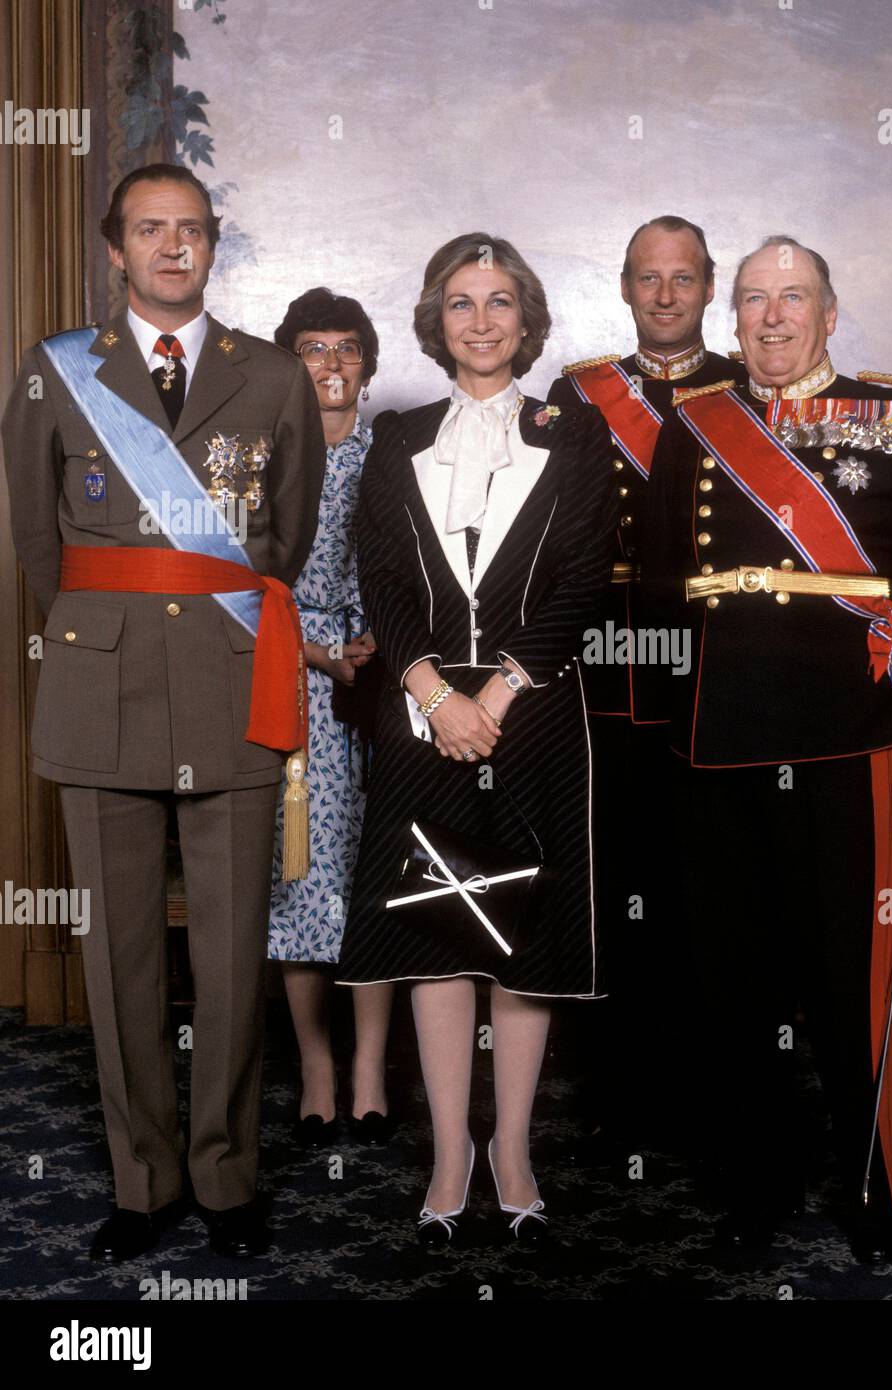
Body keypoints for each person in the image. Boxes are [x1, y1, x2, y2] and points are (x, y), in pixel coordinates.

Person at [641, 234, 892, 1261]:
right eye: (752, 299)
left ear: (829, 313)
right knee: (734, 985)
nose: (771, 316)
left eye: (791, 297)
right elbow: (659, 587)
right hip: (719, 740)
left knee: (854, 982)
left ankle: (872, 1189)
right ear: (732, 316)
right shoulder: (694, 425)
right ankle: (753, 1183)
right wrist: (673, 718)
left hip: (856, 738)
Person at [1, 163, 325, 1259]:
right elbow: (42, 548)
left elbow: (285, 533)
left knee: (233, 955)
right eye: (150, 230)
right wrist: (113, 631)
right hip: (103, 686)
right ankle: (142, 1182)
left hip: (231, 687)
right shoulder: (55, 373)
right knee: (122, 954)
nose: (171, 248)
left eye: (189, 231)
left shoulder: (274, 376)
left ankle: (227, 1177)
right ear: (115, 248)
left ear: (212, 247)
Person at [335, 233, 617, 1245]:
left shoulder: (571, 436)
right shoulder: (397, 439)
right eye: (461, 302)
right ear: (435, 320)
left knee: (523, 939)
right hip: (421, 723)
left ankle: (512, 1146)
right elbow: (385, 581)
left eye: (501, 301)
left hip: (533, 717)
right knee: (437, 930)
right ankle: (450, 1146)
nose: (483, 320)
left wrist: (491, 695)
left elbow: (581, 581)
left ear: (526, 319)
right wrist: (427, 691)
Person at [544, 215, 746, 1155]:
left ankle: (716, 1076)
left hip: (720, 676)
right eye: (647, 279)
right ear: (625, 289)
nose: (665, 296)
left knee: (714, 887)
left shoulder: (750, 393)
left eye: (684, 278)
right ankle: (617, 1077)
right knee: (613, 882)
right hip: (604, 679)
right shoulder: (580, 395)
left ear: (708, 289)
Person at [267, 288, 394, 1145]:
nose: (332, 366)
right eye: (313, 349)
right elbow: (240, 584)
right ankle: (316, 1060)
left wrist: (378, 643)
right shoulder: (267, 456)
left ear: (368, 364)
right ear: (289, 363)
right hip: (295, 674)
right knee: (303, 872)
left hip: (391, 675)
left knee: (381, 876)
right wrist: (317, 655)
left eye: (347, 348)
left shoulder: (400, 456)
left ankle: (372, 1067)